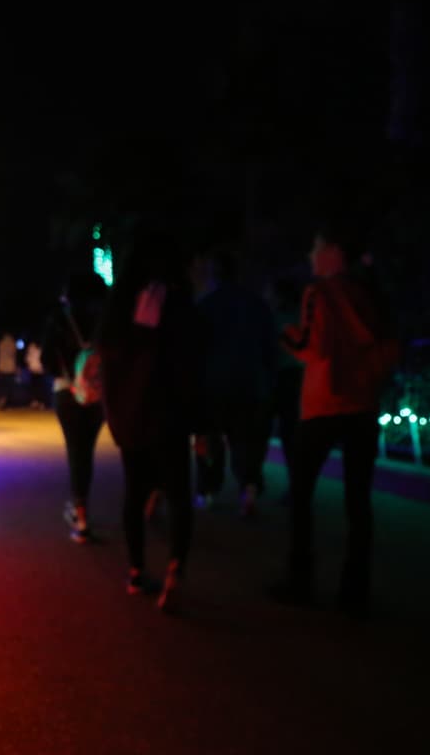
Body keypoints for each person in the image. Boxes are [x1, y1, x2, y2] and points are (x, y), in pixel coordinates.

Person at [274, 226, 399, 615]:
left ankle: (301, 580)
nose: (311, 255)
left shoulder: (320, 293)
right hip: (362, 404)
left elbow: (313, 347)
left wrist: (283, 335)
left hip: (324, 403)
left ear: (333, 252)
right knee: (358, 501)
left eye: (315, 247)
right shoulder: (369, 293)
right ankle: (354, 589)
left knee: (301, 494)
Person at [98, 223, 203, 611]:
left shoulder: (119, 304)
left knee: (134, 491)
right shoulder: (178, 301)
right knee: (178, 493)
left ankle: (136, 571)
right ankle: (176, 566)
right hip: (170, 412)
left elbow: (108, 358)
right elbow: (192, 365)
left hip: (132, 412)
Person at [188, 243, 278, 517]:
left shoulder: (204, 306)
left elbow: (194, 350)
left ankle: (208, 491)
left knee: (209, 441)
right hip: (250, 385)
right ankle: (249, 488)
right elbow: (269, 348)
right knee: (246, 441)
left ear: (214, 274)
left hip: (212, 387)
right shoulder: (257, 305)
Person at [40, 271, 108, 543]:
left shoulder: (58, 319)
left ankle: (80, 514)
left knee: (75, 449)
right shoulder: (105, 319)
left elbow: (46, 360)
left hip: (67, 391)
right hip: (97, 393)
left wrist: (66, 372)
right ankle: (81, 507)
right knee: (87, 451)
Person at [265, 274, 305, 503]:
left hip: (284, 377)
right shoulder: (299, 314)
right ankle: (298, 485)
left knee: (288, 433)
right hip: (298, 376)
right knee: (292, 434)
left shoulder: (276, 318)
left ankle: (296, 487)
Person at [0, 332, 18, 409]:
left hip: (2, 368)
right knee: (9, 386)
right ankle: (7, 401)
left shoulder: (1, 344)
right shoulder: (13, 344)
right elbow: (14, 355)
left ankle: (2, 399)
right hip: (10, 368)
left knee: (2, 385)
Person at [25, 338, 49, 409]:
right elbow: (27, 358)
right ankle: (37, 402)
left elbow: (27, 358)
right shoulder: (38, 348)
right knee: (37, 387)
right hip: (37, 370)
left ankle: (39, 402)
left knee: (38, 387)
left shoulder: (34, 348)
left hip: (38, 370)